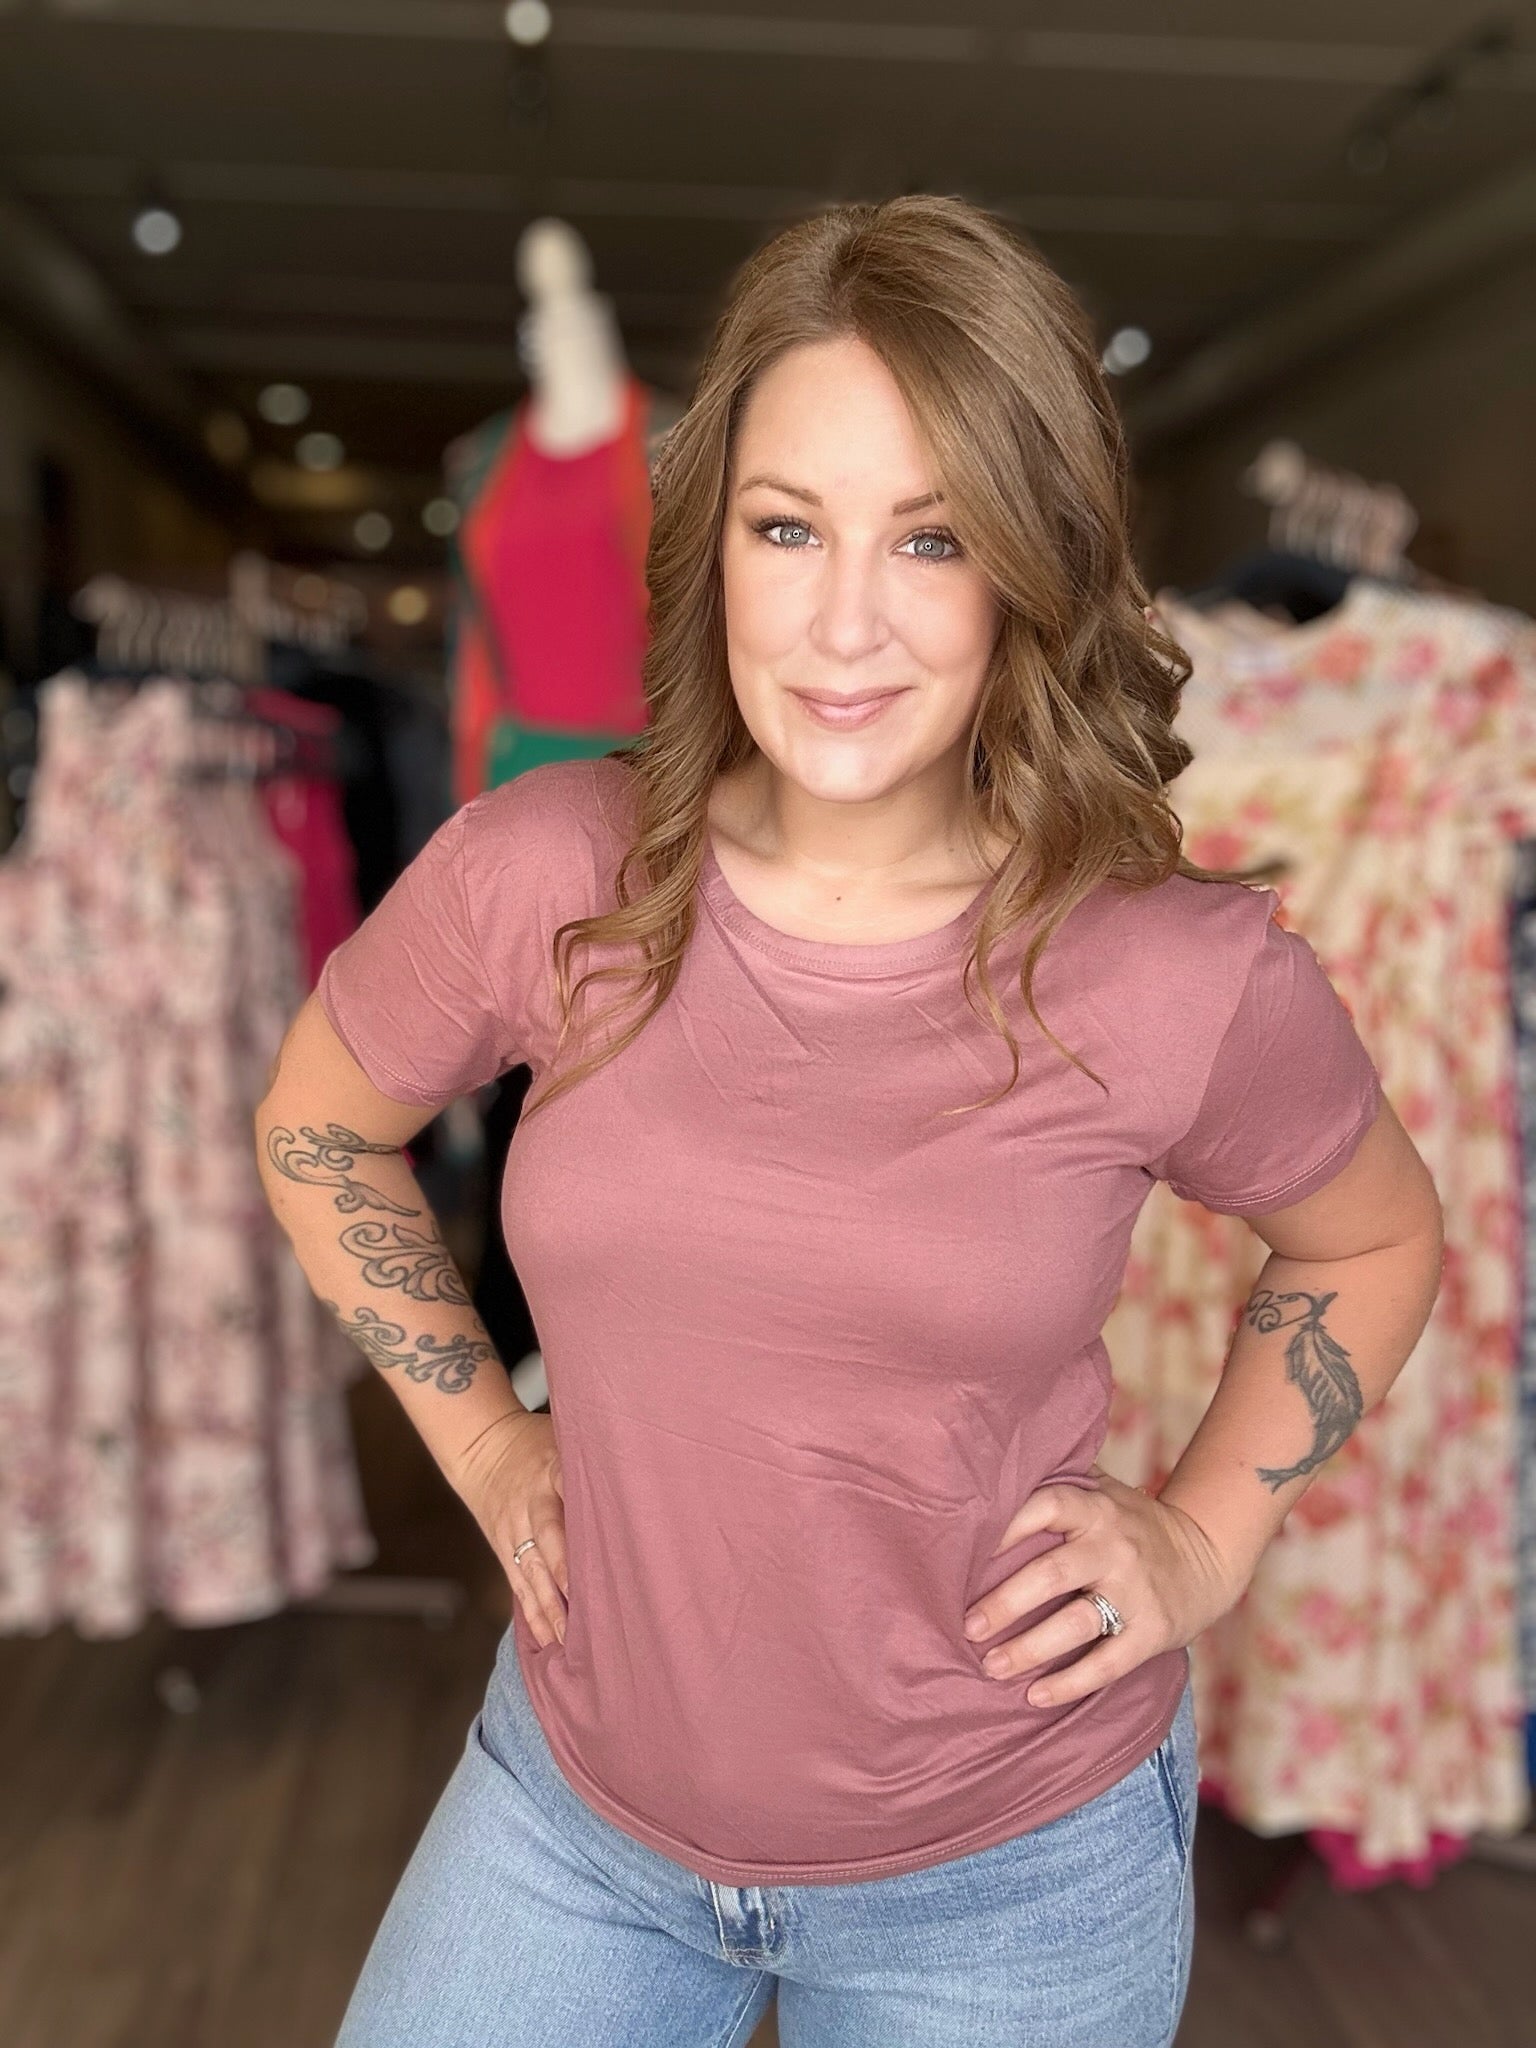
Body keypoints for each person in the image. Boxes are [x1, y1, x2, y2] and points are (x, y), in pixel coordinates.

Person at [255, 195, 1443, 2048]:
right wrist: (485, 1448)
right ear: (712, 550)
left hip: (1010, 1878)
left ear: (1031, 567)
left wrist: (1207, 1539)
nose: (843, 623)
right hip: (575, 1821)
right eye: (787, 527)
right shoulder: (542, 871)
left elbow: (1375, 1234)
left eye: (932, 538)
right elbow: (318, 1126)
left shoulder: (1173, 969)